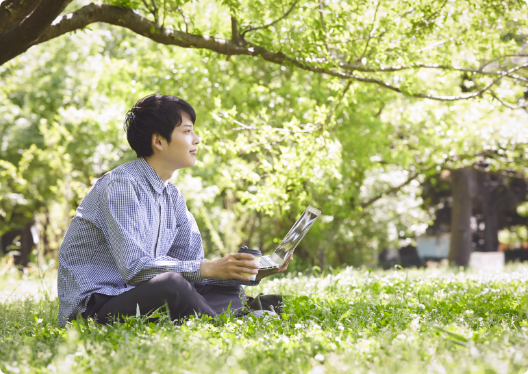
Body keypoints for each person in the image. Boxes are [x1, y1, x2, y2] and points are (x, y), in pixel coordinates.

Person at [57, 94, 292, 327]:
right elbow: (135, 268)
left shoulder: (172, 195)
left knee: (218, 286)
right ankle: (230, 321)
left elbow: (193, 266)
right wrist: (208, 268)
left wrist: (248, 272)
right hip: (97, 307)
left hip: (139, 295)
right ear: (158, 141)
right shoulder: (121, 185)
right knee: (173, 285)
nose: (197, 139)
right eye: (187, 131)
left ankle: (230, 312)